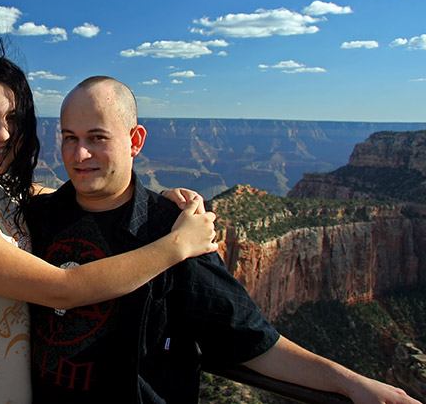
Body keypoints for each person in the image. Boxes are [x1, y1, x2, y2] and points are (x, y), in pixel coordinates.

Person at [26, 76, 420, 404]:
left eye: (97, 137)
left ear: (135, 140)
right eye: (68, 137)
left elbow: (251, 341)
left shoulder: (176, 232)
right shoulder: (35, 221)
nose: (79, 153)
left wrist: (351, 383)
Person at [0, 38, 219, 404]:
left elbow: (85, 195)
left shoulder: (8, 195)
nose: (2, 133)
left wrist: (158, 198)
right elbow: (62, 288)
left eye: (13, 119)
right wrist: (178, 244)